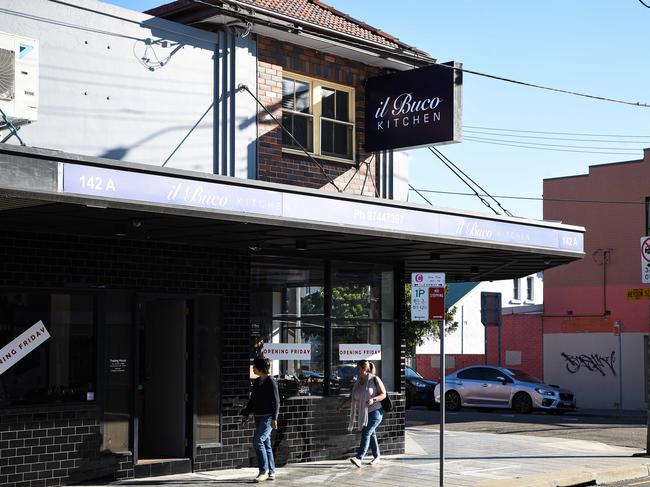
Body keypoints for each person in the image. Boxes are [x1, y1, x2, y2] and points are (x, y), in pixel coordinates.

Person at [336, 359, 387, 467]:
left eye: (358, 368)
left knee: (366, 432)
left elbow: (384, 394)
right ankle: (377, 456)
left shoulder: (374, 379)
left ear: (364, 369)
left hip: (376, 412)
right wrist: (342, 405)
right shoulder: (358, 382)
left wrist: (373, 399)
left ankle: (359, 458)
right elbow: (352, 398)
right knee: (371, 434)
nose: (356, 370)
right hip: (364, 413)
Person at [241, 357, 280, 482]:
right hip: (258, 416)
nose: (253, 368)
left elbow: (276, 401)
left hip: (268, 417)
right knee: (266, 444)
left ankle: (263, 471)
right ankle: (272, 471)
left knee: (258, 441)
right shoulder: (257, 382)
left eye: (254, 367)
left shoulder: (271, 381)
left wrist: (274, 418)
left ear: (260, 368)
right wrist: (246, 415)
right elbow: (252, 401)